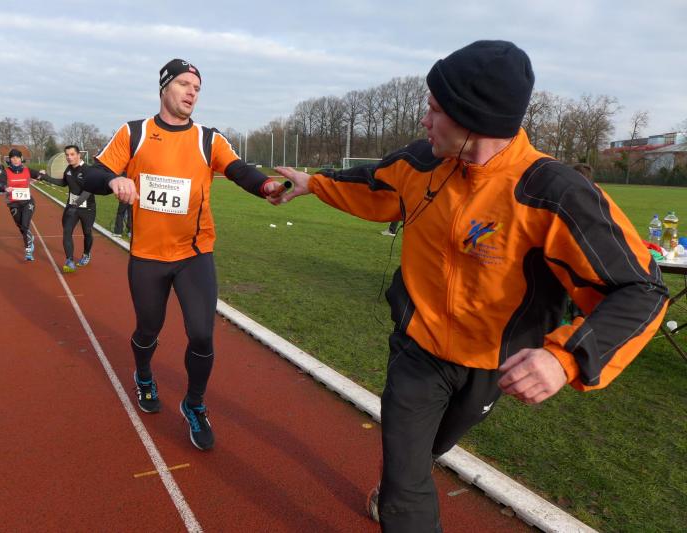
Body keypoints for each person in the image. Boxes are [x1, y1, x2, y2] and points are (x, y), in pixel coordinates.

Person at [275, 40, 668, 532]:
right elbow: (374, 184)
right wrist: (312, 183)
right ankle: (398, 490)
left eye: (435, 110)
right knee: (405, 481)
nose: (424, 121)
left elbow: (640, 289)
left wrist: (563, 358)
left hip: (489, 366)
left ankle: (404, 478)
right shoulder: (420, 162)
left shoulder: (553, 192)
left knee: (430, 450)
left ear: (472, 119)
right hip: (416, 351)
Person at [77, 59, 286, 451]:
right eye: (184, 84)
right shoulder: (135, 133)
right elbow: (91, 174)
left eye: (197, 88)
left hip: (194, 254)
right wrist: (114, 179)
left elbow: (239, 170)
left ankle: (194, 403)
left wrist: (266, 186)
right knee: (148, 329)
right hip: (148, 256)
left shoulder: (208, 139)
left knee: (203, 334)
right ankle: (143, 374)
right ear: (164, 88)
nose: (192, 92)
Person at [40, 145, 96, 272]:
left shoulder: (88, 170)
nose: (69, 157)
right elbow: (63, 183)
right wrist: (45, 177)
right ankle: (69, 260)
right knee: (67, 231)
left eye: (72, 154)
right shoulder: (68, 169)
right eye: (67, 155)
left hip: (87, 208)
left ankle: (86, 254)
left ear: (79, 155)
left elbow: (88, 191)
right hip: (72, 206)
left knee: (87, 232)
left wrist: (76, 204)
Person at [0, 148, 49, 261]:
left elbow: (39, 176)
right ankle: (29, 237)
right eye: (13, 158)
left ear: (21, 159)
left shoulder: (27, 170)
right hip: (13, 204)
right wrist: (5, 188)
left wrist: (42, 174)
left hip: (27, 202)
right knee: (21, 227)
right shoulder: (5, 172)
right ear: (9, 159)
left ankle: (28, 250)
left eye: (17, 157)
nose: (15, 160)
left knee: (25, 225)